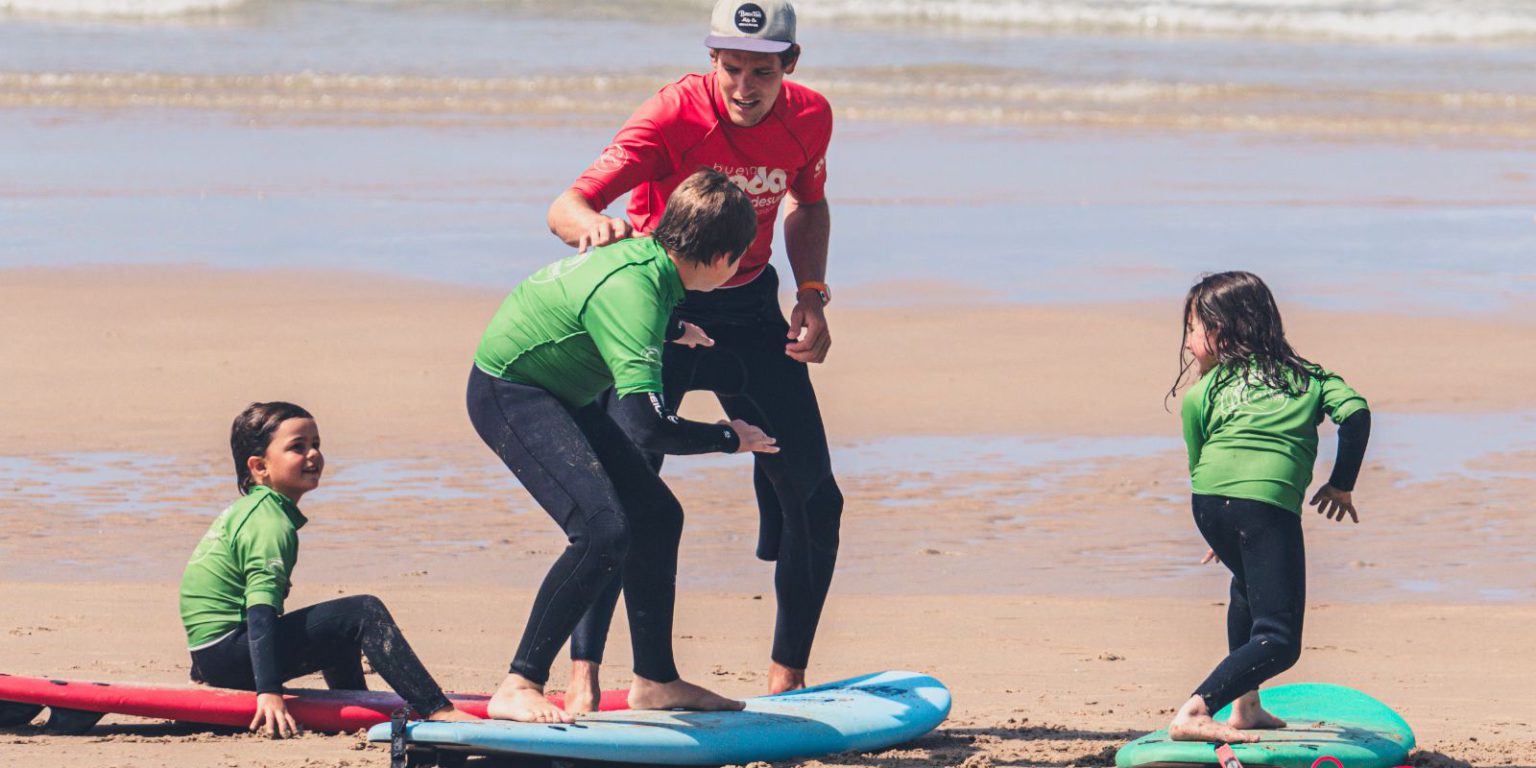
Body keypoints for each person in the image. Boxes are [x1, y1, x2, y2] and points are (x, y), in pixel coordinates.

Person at [546, 0, 840, 709]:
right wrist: (595, 227)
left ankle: (787, 678)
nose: (744, 87)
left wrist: (811, 294)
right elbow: (568, 204)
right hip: (660, 310)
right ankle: (584, 672)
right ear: (712, 61)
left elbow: (809, 203)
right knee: (625, 497)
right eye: (731, 68)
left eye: (761, 71)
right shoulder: (669, 117)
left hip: (746, 310)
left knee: (815, 494)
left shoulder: (810, 117)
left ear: (789, 65)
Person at [469, 169, 779, 724]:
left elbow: (609, 307)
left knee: (657, 514)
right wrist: (731, 438)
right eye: (738, 259)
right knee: (601, 532)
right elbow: (648, 428)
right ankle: (519, 682)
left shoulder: (650, 261)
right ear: (722, 258)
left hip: (559, 387)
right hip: (512, 391)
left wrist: (672, 328)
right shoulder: (636, 294)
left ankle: (656, 681)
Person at [179, 402, 477, 739]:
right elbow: (259, 612)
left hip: (212, 658)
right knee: (362, 611)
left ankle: (355, 702)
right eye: (297, 447)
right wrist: (270, 693)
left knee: (336, 625)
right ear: (260, 466)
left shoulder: (253, 509)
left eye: (315, 444)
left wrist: (203, 673)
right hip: (231, 657)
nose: (312, 455)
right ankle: (440, 711)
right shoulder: (269, 523)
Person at [1165, 271, 1373, 743]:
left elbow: (1201, 463)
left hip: (1211, 507)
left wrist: (1226, 530)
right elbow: (1356, 414)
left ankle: (1246, 707)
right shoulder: (1312, 378)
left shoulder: (1202, 393)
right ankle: (1196, 711)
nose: (1188, 344)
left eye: (1193, 330)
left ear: (1225, 331)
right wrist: (1341, 485)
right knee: (1279, 638)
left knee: (1246, 587)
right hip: (1262, 508)